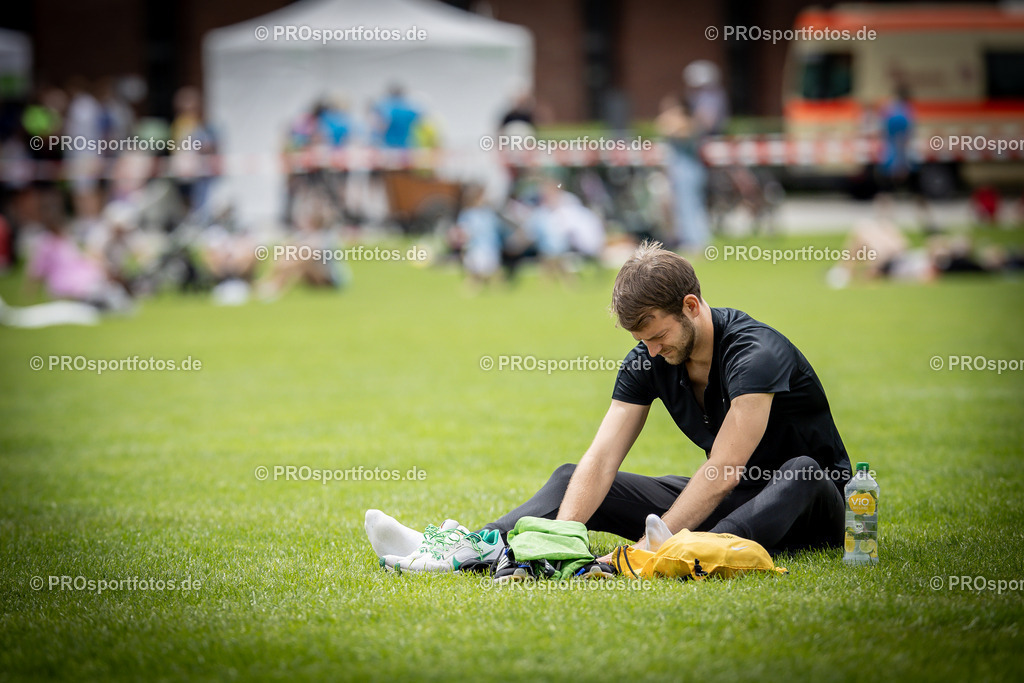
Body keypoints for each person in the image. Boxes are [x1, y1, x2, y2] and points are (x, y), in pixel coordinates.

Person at [369, 241, 852, 572]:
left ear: (691, 305)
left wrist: (641, 551)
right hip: (736, 497)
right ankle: (470, 548)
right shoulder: (648, 356)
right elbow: (602, 459)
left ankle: (674, 557)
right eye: (642, 341)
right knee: (570, 475)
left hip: (812, 505)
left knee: (800, 469)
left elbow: (724, 469)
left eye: (658, 335)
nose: (653, 351)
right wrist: (557, 541)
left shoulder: (755, 353)